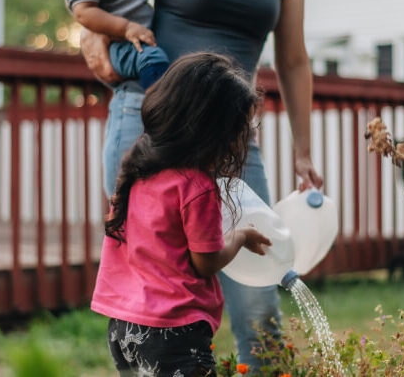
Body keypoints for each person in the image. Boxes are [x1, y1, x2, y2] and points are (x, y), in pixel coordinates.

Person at [80, 0, 323, 370]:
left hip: (230, 136)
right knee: (153, 276)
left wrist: (306, 150)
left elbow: (292, 59)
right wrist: (92, 39)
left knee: (257, 289)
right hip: (148, 118)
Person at [91, 52, 272, 377]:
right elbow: (206, 261)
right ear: (209, 129)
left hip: (122, 326)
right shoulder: (197, 187)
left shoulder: (138, 171)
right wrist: (240, 236)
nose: (237, 142)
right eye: (236, 132)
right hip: (172, 332)